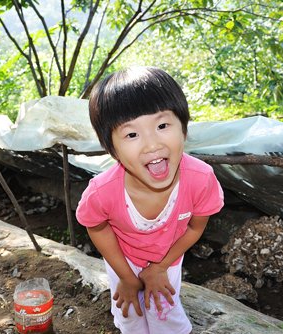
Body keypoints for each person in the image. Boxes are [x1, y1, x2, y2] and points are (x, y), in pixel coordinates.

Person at [75, 65, 224, 334]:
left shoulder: (200, 179)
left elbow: (195, 227)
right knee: (131, 313)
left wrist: (160, 268)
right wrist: (127, 277)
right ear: (112, 148)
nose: (152, 144)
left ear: (184, 129)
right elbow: (96, 226)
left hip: (169, 255)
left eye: (163, 125)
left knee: (164, 312)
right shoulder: (102, 191)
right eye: (131, 134)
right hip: (123, 258)